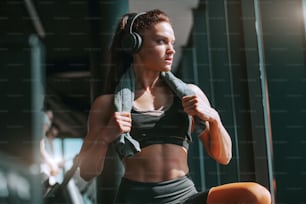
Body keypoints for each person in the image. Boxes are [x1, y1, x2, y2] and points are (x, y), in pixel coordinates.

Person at [78, 9, 271, 203]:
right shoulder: (107, 104)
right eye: (161, 41)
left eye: (172, 42)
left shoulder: (190, 93)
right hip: (135, 198)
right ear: (134, 45)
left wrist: (213, 117)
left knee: (256, 195)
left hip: (183, 196)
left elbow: (224, 156)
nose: (171, 49)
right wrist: (104, 136)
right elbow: (87, 171)